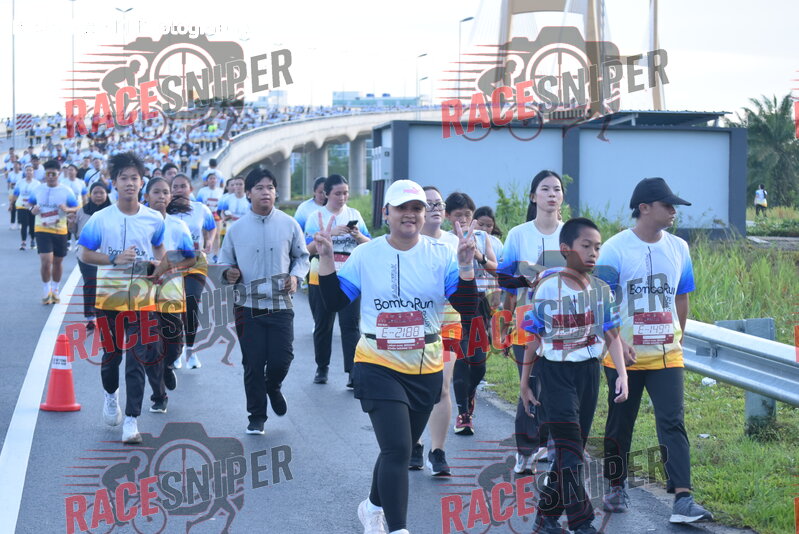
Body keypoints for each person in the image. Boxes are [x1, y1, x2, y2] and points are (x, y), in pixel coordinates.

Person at [314, 179, 478, 534]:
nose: (410, 214)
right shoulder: (366, 254)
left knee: (396, 450)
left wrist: (466, 268)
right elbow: (335, 301)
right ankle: (398, 528)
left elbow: (466, 307)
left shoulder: (441, 254)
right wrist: (326, 259)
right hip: (377, 363)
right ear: (386, 213)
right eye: (402, 208)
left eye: (417, 208)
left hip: (425, 366)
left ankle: (372, 507)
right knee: (399, 448)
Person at [596, 177, 713, 524]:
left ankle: (683, 499)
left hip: (667, 355)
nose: (674, 211)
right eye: (668, 205)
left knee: (673, 421)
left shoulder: (679, 248)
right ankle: (615, 485)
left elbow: (681, 295)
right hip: (624, 355)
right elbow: (600, 300)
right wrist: (616, 342)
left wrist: (680, 337)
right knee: (620, 422)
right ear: (644, 208)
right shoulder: (614, 248)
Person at [522, 217, 628, 534]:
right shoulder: (546, 289)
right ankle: (582, 522)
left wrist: (622, 374)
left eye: (597, 247)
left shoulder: (601, 290)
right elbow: (533, 340)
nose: (593, 252)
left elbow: (612, 336)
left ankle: (545, 518)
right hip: (555, 373)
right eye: (586, 246)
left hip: (588, 373)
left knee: (571, 451)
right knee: (570, 452)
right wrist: (525, 384)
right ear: (565, 249)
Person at [78, 151, 170, 444]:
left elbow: (159, 248)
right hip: (109, 298)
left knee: (137, 358)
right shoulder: (101, 219)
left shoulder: (154, 218)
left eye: (134, 178)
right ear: (114, 183)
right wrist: (114, 259)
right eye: (124, 178)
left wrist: (160, 266)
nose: (130, 183)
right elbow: (84, 253)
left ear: (142, 182)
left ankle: (131, 420)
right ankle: (110, 395)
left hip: (143, 299)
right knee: (111, 357)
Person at [218, 168, 310, 435]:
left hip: (281, 304)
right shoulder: (236, 229)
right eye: (259, 188)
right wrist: (228, 273)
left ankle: (273, 385)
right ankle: (256, 416)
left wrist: (295, 277)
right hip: (247, 306)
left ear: (276, 192)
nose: (265, 192)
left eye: (270, 187)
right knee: (253, 362)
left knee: (282, 358)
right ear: (248, 193)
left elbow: (302, 257)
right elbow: (223, 263)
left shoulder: (289, 224)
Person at [497, 170, 566, 474]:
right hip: (526, 323)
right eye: (545, 189)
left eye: (557, 189)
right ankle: (525, 450)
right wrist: (502, 324)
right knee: (531, 385)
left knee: (558, 386)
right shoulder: (518, 234)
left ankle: (551, 444)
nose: (552, 194)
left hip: (564, 324)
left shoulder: (570, 234)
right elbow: (504, 280)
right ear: (533, 196)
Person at [408, 185, 461, 476]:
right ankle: (414, 443)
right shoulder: (407, 242)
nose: (435, 208)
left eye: (438, 203)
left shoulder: (455, 241)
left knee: (441, 385)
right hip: (412, 323)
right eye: (427, 204)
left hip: (448, 321)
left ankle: (437, 451)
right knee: (414, 384)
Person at [304, 174, 370, 386]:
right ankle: (322, 367)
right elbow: (306, 249)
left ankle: (353, 371)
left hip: (349, 275)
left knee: (350, 325)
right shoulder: (316, 216)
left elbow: (369, 244)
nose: (342, 197)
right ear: (326, 194)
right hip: (321, 275)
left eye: (345, 193)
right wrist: (328, 234)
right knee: (323, 324)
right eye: (337, 193)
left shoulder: (354, 214)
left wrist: (358, 236)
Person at [444, 191, 496, 436]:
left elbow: (496, 269)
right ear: (447, 216)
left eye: (467, 214)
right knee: (461, 357)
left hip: (479, 304)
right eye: (458, 215)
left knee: (479, 363)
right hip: (453, 305)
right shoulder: (444, 240)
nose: (463, 219)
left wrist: (477, 255)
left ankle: (470, 391)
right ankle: (463, 413)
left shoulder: (482, 237)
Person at [143, 177, 197, 396]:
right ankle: (159, 395)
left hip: (171, 291)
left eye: (165, 192)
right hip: (143, 292)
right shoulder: (137, 223)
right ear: (146, 196)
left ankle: (167, 366)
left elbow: (191, 259)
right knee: (151, 344)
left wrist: (172, 266)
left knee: (174, 345)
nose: (161, 196)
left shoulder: (178, 226)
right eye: (156, 192)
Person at [170, 174, 217, 369]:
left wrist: (209, 241)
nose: (179, 190)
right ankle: (176, 350)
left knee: (191, 302)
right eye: (175, 187)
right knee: (173, 308)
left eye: (183, 186)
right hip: (171, 264)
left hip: (196, 262)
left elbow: (211, 227)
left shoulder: (201, 209)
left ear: (190, 189)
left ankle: (190, 350)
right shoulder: (164, 210)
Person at [28, 160, 79, 304]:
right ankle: (46, 291)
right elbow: (30, 204)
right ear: (45, 174)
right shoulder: (38, 189)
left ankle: (55, 290)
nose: (50, 177)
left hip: (60, 230)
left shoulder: (66, 191)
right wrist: (32, 210)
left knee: (57, 262)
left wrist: (67, 209)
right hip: (42, 229)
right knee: (46, 260)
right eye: (48, 174)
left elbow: (76, 207)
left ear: (59, 174)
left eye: (53, 174)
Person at [69, 182, 112, 330]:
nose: (98, 196)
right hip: (86, 254)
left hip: (108, 254)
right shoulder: (82, 211)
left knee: (108, 284)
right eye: (95, 193)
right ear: (90, 195)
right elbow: (74, 231)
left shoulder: (114, 211)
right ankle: (90, 317)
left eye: (101, 193)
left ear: (107, 194)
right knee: (91, 283)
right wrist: (71, 223)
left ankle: (108, 314)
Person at [11, 164, 39, 249]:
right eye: (27, 170)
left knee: (32, 225)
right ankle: (23, 242)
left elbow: (39, 196)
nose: (29, 172)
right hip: (22, 206)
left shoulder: (37, 183)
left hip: (32, 206)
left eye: (30, 170)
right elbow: (15, 194)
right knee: (24, 224)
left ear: (33, 172)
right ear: (24, 172)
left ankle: (32, 240)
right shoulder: (20, 182)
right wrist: (11, 204)